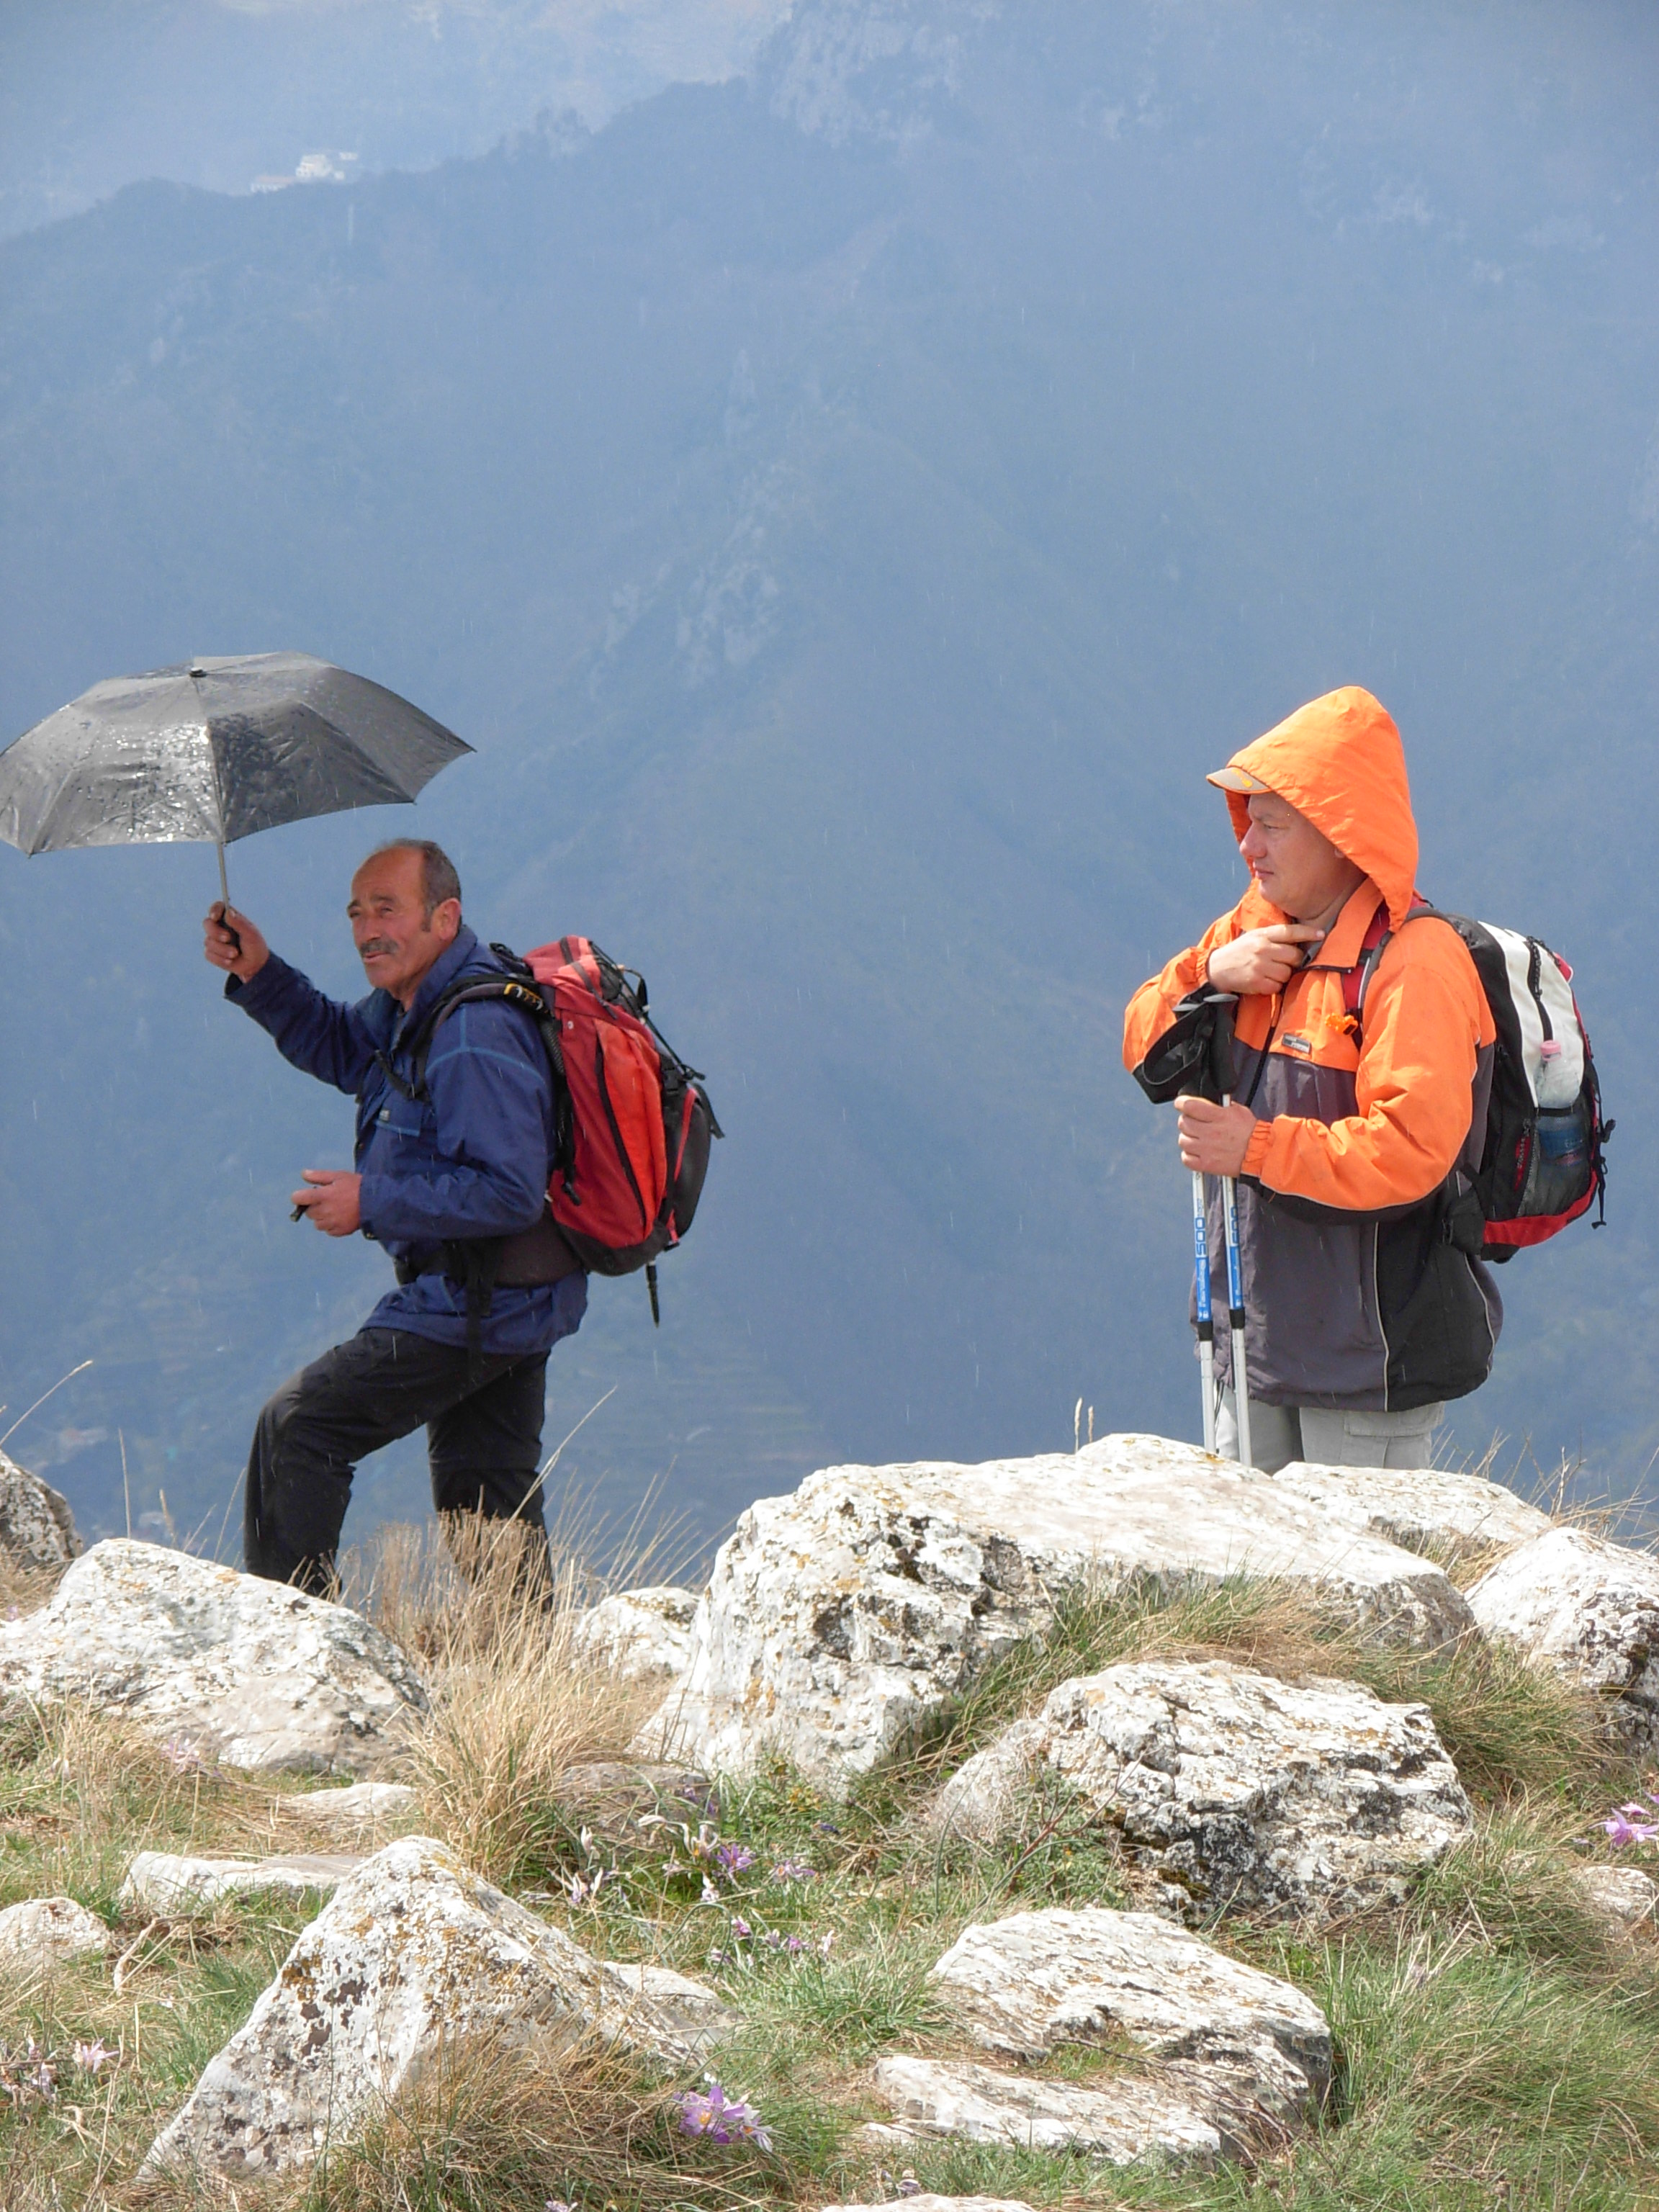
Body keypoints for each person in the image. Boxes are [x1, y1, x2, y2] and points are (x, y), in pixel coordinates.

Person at [1123, 685, 1501, 1473]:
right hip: (1251, 1347)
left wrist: (1254, 1148)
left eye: (1271, 824)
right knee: (1251, 1558)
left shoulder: (1416, 963)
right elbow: (1141, 1048)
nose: (1247, 845)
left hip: (1367, 1368)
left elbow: (1408, 1155)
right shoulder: (1251, 935)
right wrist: (1209, 975)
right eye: (1247, 821)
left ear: (1339, 832)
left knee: (1363, 1559)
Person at [203, 838, 585, 1591]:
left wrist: (369, 1199)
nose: (367, 930)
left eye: (387, 909)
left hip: (480, 1300)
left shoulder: (474, 1030)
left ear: (446, 917)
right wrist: (259, 970)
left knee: (300, 1428)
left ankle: (292, 1641)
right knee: (484, 1503)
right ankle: (523, 1657)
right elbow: (346, 1048)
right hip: (507, 1295)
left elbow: (509, 1192)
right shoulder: (415, 1005)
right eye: (357, 913)